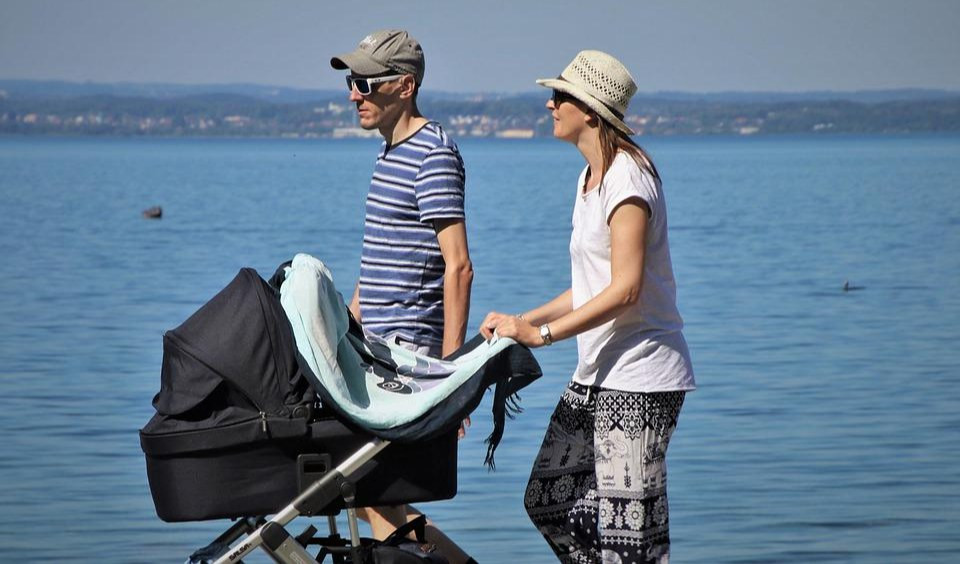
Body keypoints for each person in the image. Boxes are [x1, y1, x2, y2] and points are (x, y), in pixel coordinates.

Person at [480, 50, 695, 563]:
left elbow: (625, 290)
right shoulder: (588, 180)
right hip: (598, 375)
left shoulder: (628, 182)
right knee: (548, 502)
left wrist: (544, 337)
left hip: (641, 379)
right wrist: (524, 321)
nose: (550, 105)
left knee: (633, 541)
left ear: (591, 112)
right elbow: (592, 285)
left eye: (560, 97)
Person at [329, 30, 475, 564]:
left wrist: (453, 377)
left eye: (365, 83)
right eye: (351, 81)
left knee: (370, 488)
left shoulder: (432, 155)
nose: (353, 95)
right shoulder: (389, 155)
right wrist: (344, 327)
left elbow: (458, 267)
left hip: (409, 362)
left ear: (405, 85)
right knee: (371, 494)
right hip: (375, 355)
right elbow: (380, 259)